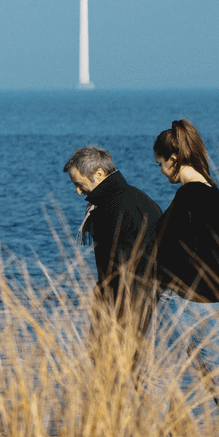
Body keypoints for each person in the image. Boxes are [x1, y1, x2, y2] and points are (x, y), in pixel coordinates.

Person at [152, 119, 219, 391]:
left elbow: (172, 251)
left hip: (180, 297)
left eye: (160, 164)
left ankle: (148, 434)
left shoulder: (186, 198)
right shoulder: (215, 196)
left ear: (173, 158)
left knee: (157, 376)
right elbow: (215, 250)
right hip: (215, 297)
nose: (162, 172)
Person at [65, 144, 164, 353]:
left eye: (79, 183)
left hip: (128, 310)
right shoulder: (129, 199)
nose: (78, 191)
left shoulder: (119, 206)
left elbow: (126, 268)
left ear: (99, 174)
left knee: (117, 374)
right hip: (128, 304)